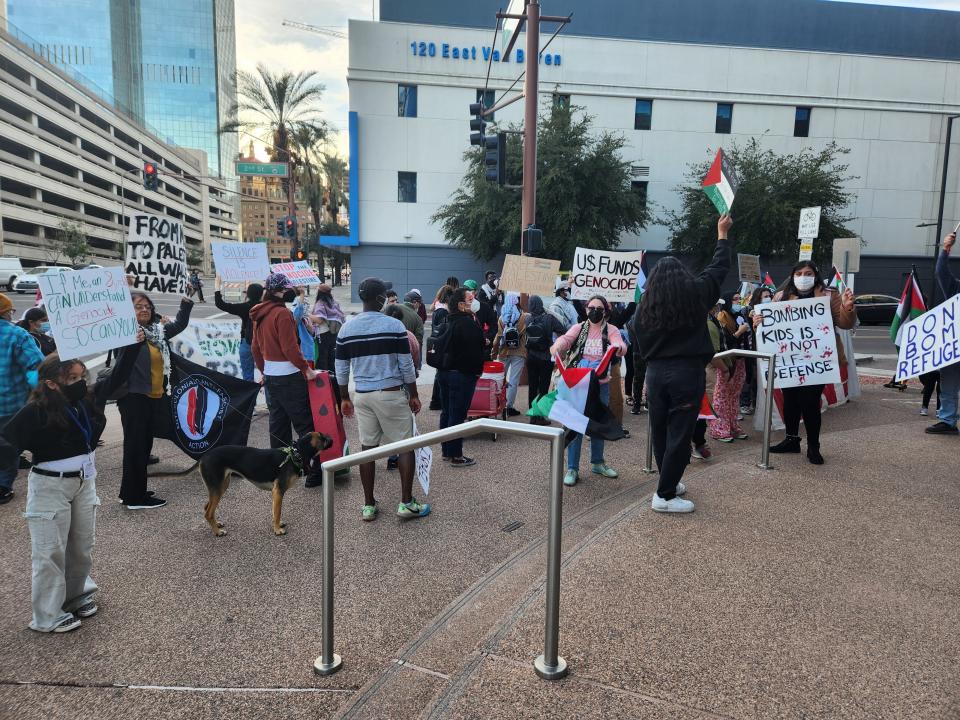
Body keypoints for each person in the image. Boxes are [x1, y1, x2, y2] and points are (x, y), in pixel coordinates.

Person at [0, 351, 135, 632]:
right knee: (50, 551)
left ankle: (76, 596)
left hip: (85, 482)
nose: (79, 382)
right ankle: (47, 614)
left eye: (81, 376)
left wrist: (131, 347)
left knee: (81, 546)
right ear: (51, 383)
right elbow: (5, 441)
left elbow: (119, 376)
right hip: (50, 485)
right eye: (71, 378)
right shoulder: (35, 410)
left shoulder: (84, 401)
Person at [632, 214, 734, 513]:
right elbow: (718, 269)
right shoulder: (697, 295)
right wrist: (721, 235)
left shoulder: (643, 310)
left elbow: (637, 342)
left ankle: (667, 481)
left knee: (661, 431)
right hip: (686, 373)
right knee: (679, 433)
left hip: (655, 373)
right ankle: (664, 495)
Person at [336, 277, 429, 520]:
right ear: (380, 299)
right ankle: (406, 503)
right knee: (404, 445)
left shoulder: (347, 328)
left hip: (363, 396)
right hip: (390, 394)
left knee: (367, 449)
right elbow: (406, 365)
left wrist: (344, 397)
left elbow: (341, 368)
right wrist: (414, 394)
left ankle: (368, 505)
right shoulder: (394, 327)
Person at [760, 261, 857, 461]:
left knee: (810, 402)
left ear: (815, 275)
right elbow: (771, 326)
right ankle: (792, 440)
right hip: (789, 360)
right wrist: (759, 322)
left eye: (808, 273)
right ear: (793, 276)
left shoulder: (829, 295)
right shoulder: (781, 296)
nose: (803, 276)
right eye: (799, 273)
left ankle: (814, 446)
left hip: (817, 360)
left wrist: (847, 308)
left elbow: (845, 324)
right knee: (790, 402)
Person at [112, 291, 193, 508]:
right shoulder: (124, 333)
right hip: (133, 398)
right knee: (136, 446)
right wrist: (131, 340)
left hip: (151, 397)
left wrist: (186, 302)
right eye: (138, 306)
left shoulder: (155, 331)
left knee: (141, 446)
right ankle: (135, 498)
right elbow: (122, 360)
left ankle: (130, 491)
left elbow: (178, 326)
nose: (145, 309)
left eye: (147, 306)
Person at [250, 273, 322, 486]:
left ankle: (278, 471)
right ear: (281, 291)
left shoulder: (259, 313)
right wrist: (305, 369)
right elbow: (290, 347)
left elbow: (255, 347)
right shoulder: (282, 313)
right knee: (304, 424)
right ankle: (314, 473)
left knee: (278, 426)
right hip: (290, 376)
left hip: (271, 375)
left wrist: (264, 371)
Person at [551, 295, 626, 486]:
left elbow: (620, 343)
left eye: (599, 308)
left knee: (598, 423)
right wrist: (557, 346)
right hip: (579, 386)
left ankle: (598, 462)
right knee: (575, 425)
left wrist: (618, 347)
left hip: (600, 385)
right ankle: (572, 468)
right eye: (591, 307)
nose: (594, 311)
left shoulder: (612, 330)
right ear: (585, 309)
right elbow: (566, 340)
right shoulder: (579, 328)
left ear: (605, 311)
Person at [0, 292, 45, 505]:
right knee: (9, 445)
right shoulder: (17, 335)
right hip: (10, 404)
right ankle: (2, 486)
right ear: (6, 313)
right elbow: (37, 368)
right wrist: (41, 394)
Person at [438, 287, 486, 466]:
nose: (473, 302)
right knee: (457, 415)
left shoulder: (448, 320)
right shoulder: (467, 323)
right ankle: (456, 455)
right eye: (470, 299)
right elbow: (475, 350)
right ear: (460, 304)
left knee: (447, 412)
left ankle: (446, 450)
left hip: (444, 373)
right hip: (462, 374)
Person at [927, 230, 960, 434]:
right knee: (948, 385)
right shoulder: (956, 288)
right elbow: (941, 272)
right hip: (953, 348)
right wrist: (945, 249)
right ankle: (947, 421)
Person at [708, 299, 749, 442]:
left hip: (736, 362)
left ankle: (732, 425)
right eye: (734, 299)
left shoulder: (739, 317)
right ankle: (719, 428)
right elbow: (723, 343)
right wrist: (738, 332)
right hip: (723, 363)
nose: (737, 302)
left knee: (733, 396)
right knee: (721, 397)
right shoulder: (717, 319)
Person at [525, 296, 566, 425]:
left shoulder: (527, 318)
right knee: (543, 387)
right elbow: (562, 330)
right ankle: (541, 417)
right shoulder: (549, 318)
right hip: (545, 357)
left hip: (530, 356)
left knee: (532, 386)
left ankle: (533, 415)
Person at [214, 278, 264, 382]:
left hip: (247, 342)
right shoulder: (266, 307)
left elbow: (221, 304)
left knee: (247, 375)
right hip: (264, 343)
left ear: (248, 294)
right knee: (268, 374)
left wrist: (217, 289)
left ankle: (250, 396)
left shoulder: (245, 307)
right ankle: (269, 396)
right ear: (261, 294)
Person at [491, 292, 528, 417]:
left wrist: (494, 351)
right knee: (513, 380)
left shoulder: (501, 318)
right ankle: (509, 407)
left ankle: (497, 404)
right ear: (516, 302)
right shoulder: (524, 317)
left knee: (499, 380)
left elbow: (498, 336)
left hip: (503, 352)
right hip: (519, 352)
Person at [309, 283, 346, 382]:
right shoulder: (334, 302)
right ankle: (333, 381)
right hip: (333, 333)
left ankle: (324, 382)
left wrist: (308, 315)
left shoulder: (320, 303)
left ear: (319, 293)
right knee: (331, 358)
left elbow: (320, 320)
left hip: (323, 334)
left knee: (322, 358)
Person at [428, 285, 454, 411]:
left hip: (436, 344)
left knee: (439, 374)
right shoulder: (443, 312)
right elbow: (445, 329)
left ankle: (436, 401)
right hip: (442, 346)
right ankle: (436, 401)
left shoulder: (437, 310)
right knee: (441, 374)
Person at [463, 279, 497, 356]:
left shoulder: (484, 307)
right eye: (464, 290)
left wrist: (487, 337)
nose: (467, 292)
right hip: (465, 348)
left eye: (469, 290)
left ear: (475, 292)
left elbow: (493, 325)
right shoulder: (460, 306)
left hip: (482, 348)